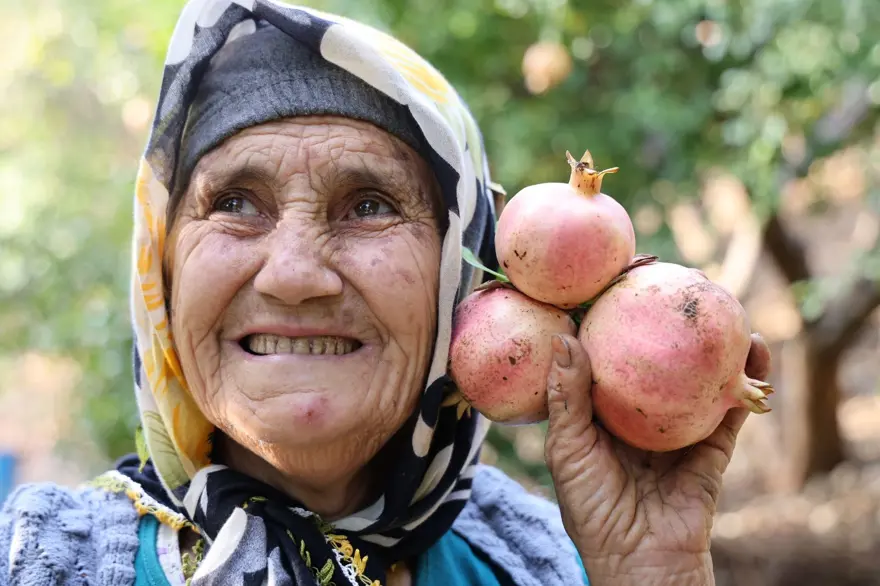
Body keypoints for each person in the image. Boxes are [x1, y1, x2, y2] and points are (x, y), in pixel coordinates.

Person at [0, 2, 772, 585]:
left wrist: (652, 573)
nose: (294, 274)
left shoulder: (544, 564)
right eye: (234, 203)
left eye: (369, 205)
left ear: (460, 269)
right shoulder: (37, 561)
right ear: (161, 268)